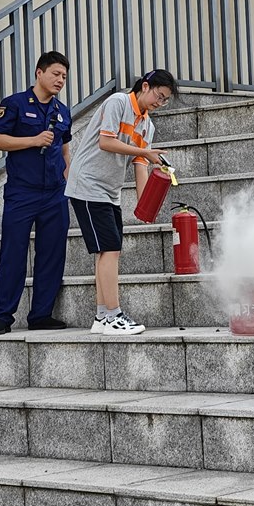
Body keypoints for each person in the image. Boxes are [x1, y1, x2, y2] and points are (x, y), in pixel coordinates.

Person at [65, 69, 179, 335]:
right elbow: (106, 142)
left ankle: (102, 317)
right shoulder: (118, 102)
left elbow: (140, 166)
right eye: (159, 96)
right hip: (88, 185)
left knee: (106, 252)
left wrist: (145, 207)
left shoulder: (147, 125)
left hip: (110, 192)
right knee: (110, 250)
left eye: (165, 100)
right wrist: (145, 152)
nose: (160, 103)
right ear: (145, 86)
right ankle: (114, 316)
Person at [0, 51, 73, 335]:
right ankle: (2, 316)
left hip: (55, 193)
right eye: (55, 74)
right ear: (39, 73)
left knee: (52, 254)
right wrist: (33, 140)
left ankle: (41, 314)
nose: (60, 80)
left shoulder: (63, 111)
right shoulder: (14, 104)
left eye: (64, 76)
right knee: (13, 253)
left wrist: (68, 177)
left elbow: (64, 148)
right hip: (22, 192)